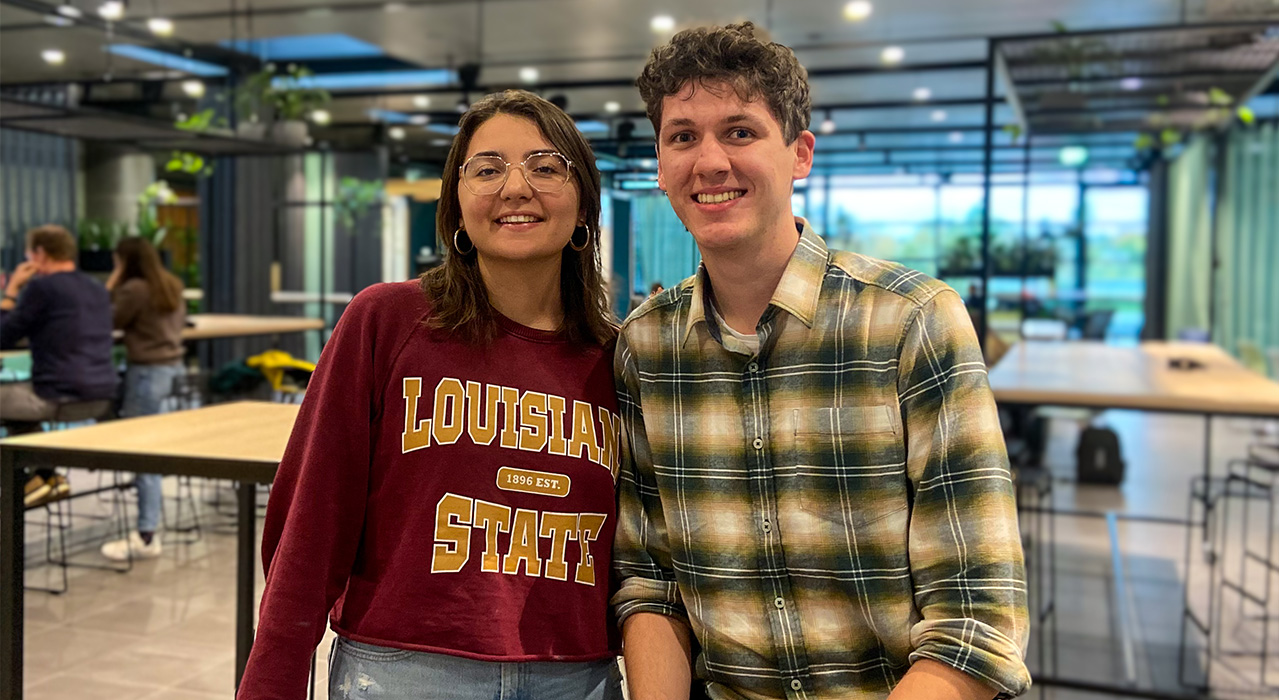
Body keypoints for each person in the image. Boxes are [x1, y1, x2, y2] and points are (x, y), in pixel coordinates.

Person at [613, 23, 1030, 700]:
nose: (709, 161)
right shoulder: (646, 347)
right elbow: (651, 583)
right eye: (682, 136)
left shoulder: (909, 321)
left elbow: (975, 618)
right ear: (660, 166)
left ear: (799, 154)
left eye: (740, 131)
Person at [237, 90, 623, 700]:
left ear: (583, 209)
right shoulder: (386, 321)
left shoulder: (618, 356)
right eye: (488, 168)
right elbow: (311, 521)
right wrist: (272, 681)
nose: (515, 188)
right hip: (403, 670)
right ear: (457, 206)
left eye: (546, 167)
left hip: (577, 675)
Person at [0, 224, 117, 507]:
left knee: (7, 400)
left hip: (60, 394)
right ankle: (44, 477)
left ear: (39, 254)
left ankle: (39, 477)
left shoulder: (41, 287)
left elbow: (4, 334)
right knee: (13, 401)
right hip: (104, 394)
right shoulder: (95, 287)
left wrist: (12, 289)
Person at [98, 236, 187, 561]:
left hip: (147, 373)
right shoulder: (171, 285)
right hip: (172, 372)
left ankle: (146, 534)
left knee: (142, 455)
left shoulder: (134, 289)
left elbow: (106, 320)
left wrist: (111, 283)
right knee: (152, 451)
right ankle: (147, 527)